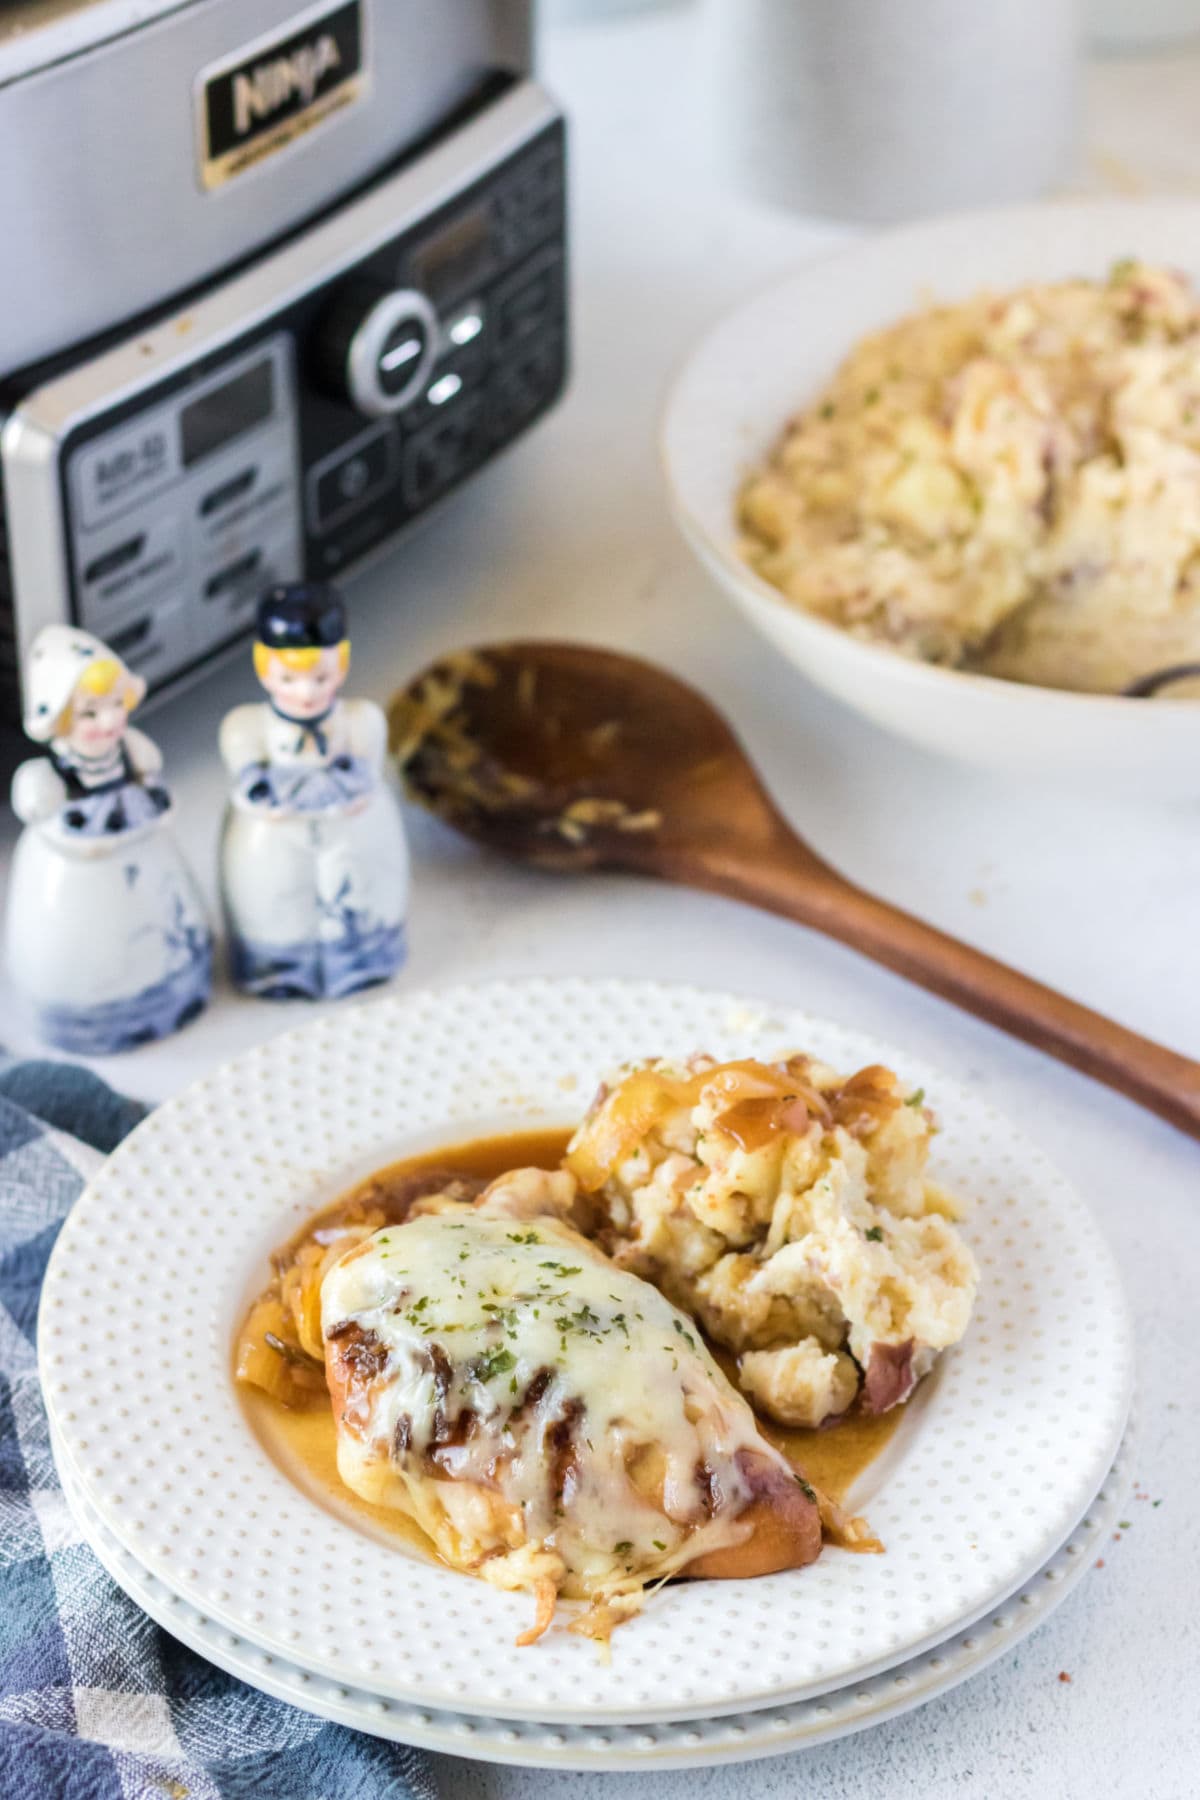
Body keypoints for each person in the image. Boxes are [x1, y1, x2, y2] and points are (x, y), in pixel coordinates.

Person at [6, 625, 212, 1052]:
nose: (112, 720)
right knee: (93, 950)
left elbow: (152, 776)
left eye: (118, 705)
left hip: (138, 846)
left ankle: (172, 997)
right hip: (76, 873)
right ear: (58, 719)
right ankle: (90, 1018)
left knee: (160, 934)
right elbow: (35, 805)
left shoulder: (133, 752)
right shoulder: (49, 781)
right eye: (90, 713)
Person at [218, 582, 410, 999]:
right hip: (275, 837)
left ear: (340, 667)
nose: (305, 692)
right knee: (278, 904)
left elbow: (364, 779)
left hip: (349, 829)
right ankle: (281, 973)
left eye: (319, 677)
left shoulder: (362, 720)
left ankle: (356, 968)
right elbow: (252, 786)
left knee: (356, 900)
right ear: (264, 669)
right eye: (290, 678)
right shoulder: (245, 727)